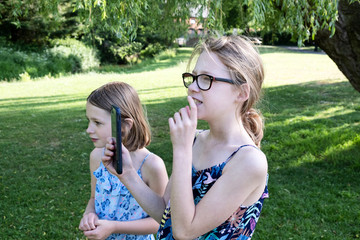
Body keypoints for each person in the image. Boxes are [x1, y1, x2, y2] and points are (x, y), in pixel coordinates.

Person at [103, 35, 269, 239]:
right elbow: (166, 213)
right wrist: (127, 173)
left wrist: (181, 150)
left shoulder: (248, 161)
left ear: (241, 93)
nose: (192, 87)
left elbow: (184, 231)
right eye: (194, 77)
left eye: (207, 79)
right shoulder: (196, 139)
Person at [79, 81, 169, 240]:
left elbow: (160, 221)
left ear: (125, 126)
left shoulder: (152, 166)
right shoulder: (96, 156)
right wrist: (89, 213)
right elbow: (94, 198)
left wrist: (114, 227)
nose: (89, 129)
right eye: (89, 121)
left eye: (97, 122)